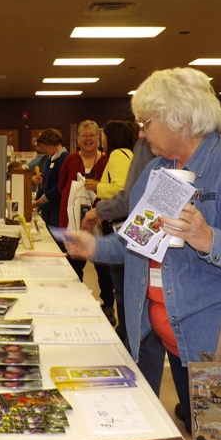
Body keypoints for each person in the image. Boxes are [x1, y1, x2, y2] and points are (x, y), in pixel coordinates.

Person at [63, 68, 221, 433]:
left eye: (146, 122)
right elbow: (142, 240)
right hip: (182, 346)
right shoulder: (161, 171)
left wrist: (210, 240)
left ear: (179, 118)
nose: (141, 133)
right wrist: (96, 246)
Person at [83, 120, 138, 342]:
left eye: (102, 136)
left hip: (120, 227)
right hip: (127, 226)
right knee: (125, 288)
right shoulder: (132, 155)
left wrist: (97, 187)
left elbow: (121, 190)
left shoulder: (118, 155)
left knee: (122, 289)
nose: (101, 140)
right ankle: (126, 333)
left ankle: (125, 335)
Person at [58, 121, 110, 297]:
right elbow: (62, 186)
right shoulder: (70, 160)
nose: (88, 139)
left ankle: (108, 304)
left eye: (92, 135)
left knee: (103, 266)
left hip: (99, 221)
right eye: (84, 135)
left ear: (98, 138)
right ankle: (75, 298)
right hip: (72, 222)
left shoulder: (107, 161)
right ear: (78, 139)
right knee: (73, 265)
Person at [32, 129, 68, 227]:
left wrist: (46, 197)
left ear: (51, 143)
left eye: (43, 147)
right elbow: (49, 181)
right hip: (47, 207)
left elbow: (62, 184)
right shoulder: (49, 158)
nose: (43, 151)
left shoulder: (65, 158)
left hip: (57, 208)